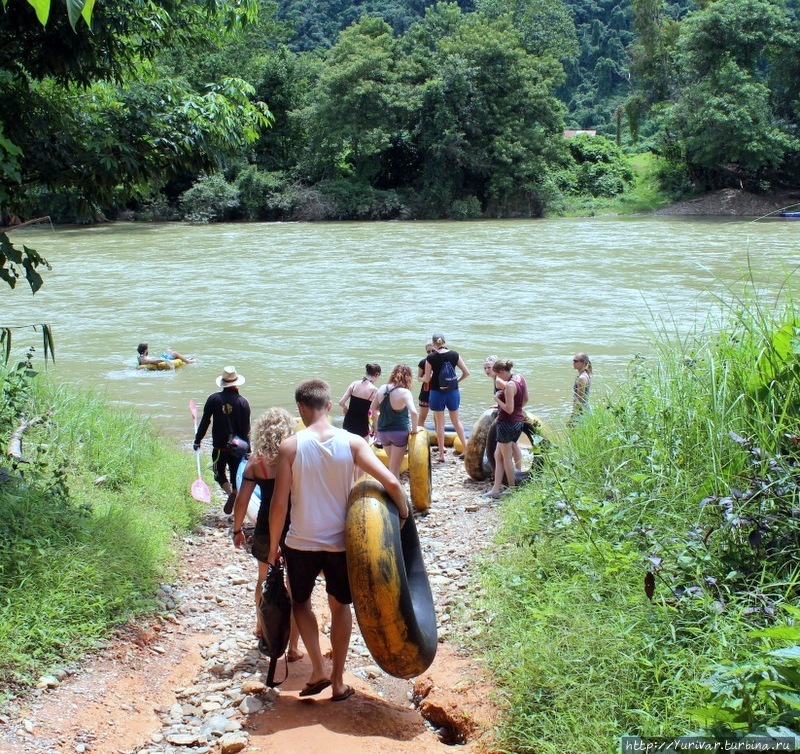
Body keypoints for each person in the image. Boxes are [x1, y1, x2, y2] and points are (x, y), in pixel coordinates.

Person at [267, 379, 409, 702]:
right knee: (340, 606)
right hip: (340, 543)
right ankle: (338, 680)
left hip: (300, 541)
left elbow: (278, 505)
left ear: (301, 408)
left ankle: (317, 666)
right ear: (329, 405)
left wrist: (274, 545)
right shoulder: (353, 442)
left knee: (301, 602)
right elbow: (390, 480)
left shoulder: (290, 446)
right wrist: (402, 517)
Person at [231, 408, 302, 662]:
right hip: (295, 527)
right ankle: (293, 646)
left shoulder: (256, 462)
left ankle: (263, 628)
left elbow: (242, 501)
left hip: (264, 528)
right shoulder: (296, 457)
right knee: (295, 587)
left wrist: (237, 529)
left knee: (263, 578)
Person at [193, 366, 251, 515]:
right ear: (236, 383)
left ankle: (229, 493)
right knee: (235, 476)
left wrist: (197, 439)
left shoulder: (213, 399)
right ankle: (235, 494)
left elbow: (206, 421)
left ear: (223, 383)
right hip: (238, 448)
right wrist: (248, 451)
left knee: (219, 474)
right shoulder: (243, 402)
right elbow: (246, 430)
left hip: (219, 447)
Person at [483, 359, 528, 499]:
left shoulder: (509, 385)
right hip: (518, 421)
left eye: (498, 374)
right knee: (498, 455)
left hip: (507, 423)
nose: (497, 378)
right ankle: (495, 489)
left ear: (502, 372)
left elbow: (509, 409)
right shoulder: (520, 378)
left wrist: (497, 400)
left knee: (506, 458)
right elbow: (525, 399)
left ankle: (512, 488)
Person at [423, 332, 470, 463]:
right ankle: (466, 449)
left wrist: (421, 378)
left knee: (440, 423)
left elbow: (427, 379)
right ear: (444, 341)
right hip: (453, 392)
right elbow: (467, 373)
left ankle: (442, 454)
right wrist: (456, 382)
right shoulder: (455, 354)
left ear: (434, 343)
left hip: (437, 392)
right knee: (456, 421)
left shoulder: (430, 357)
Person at [370, 364, 420, 479]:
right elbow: (414, 413)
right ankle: (394, 495)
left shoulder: (382, 388)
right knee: (394, 468)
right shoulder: (405, 392)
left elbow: (372, 408)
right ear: (408, 377)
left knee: (392, 465)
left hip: (383, 432)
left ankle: (393, 492)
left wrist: (376, 427)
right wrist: (414, 430)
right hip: (398, 433)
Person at [483, 355, 523, 472]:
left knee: (512, 446)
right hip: (513, 415)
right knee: (513, 445)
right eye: (485, 368)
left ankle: (516, 471)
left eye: (489, 368)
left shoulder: (499, 380)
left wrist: (500, 402)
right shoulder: (497, 379)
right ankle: (517, 470)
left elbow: (511, 392)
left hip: (509, 417)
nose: (487, 371)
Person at [338, 363, 381, 439]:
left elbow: (341, 402)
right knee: (364, 449)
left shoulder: (354, 384)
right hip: (361, 427)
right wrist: (377, 433)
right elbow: (374, 414)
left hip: (348, 423)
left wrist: (345, 408)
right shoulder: (374, 390)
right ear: (377, 374)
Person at [570, 352, 593, 425]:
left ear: (583, 363)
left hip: (581, 413)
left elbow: (580, 399)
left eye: (575, 361)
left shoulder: (582, 378)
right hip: (585, 410)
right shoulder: (585, 375)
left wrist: (573, 416)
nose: (573, 363)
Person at [417, 343, 435, 428]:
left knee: (438, 418)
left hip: (437, 392)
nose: (431, 353)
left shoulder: (441, 361)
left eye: (433, 351)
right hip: (426, 392)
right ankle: (418, 438)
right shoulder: (423, 362)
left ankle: (439, 438)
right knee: (422, 418)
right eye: (428, 351)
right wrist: (424, 379)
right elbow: (418, 378)